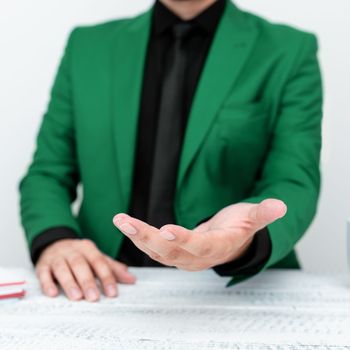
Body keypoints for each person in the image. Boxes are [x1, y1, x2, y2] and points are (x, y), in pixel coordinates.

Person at [19, 0, 323, 302]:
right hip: (106, 283)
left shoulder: (289, 50)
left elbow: (294, 179)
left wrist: (242, 240)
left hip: (231, 287)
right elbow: (48, 172)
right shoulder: (87, 46)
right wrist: (56, 239)